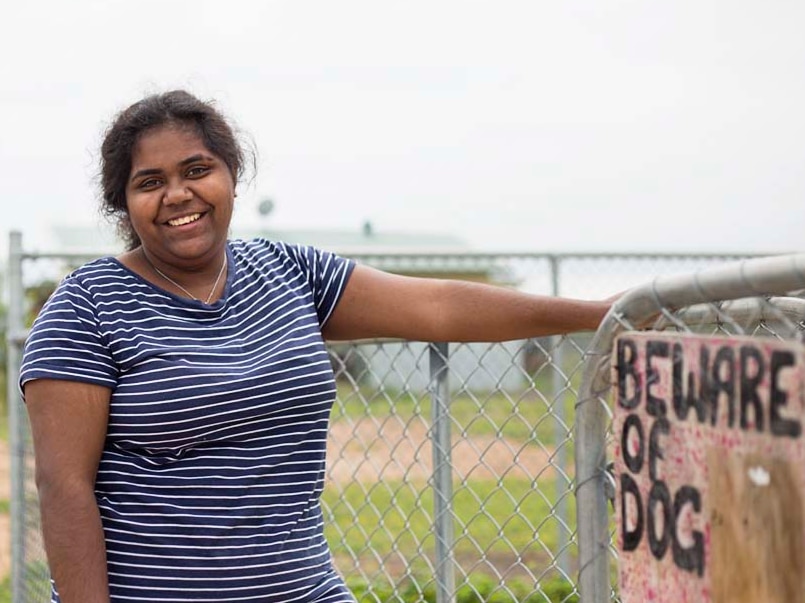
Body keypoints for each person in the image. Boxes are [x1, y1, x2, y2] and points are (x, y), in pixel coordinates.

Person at [20, 89, 616, 603]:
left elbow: (436, 305)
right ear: (124, 202)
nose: (178, 194)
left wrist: (602, 313)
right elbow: (64, 487)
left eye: (196, 170)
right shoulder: (87, 305)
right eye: (150, 182)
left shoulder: (289, 273)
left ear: (231, 174)